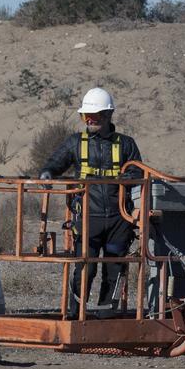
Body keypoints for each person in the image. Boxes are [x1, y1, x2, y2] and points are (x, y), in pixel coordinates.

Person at [38, 87, 142, 316]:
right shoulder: (75, 142)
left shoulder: (126, 144)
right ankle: (76, 313)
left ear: (108, 116)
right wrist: (47, 173)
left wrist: (130, 178)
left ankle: (107, 314)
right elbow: (54, 163)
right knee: (85, 267)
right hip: (87, 217)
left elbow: (138, 173)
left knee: (115, 266)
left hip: (119, 218)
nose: (90, 121)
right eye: (86, 117)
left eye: (95, 117)